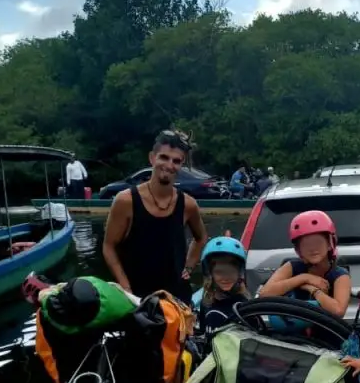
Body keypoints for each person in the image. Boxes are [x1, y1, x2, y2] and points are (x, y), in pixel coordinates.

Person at [102, 129, 207, 304]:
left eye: (176, 161)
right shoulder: (126, 201)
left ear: (181, 165)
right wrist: (125, 287)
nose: (169, 165)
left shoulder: (188, 204)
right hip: (137, 298)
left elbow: (201, 238)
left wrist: (189, 266)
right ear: (152, 158)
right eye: (164, 157)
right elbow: (108, 246)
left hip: (176, 299)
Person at [258, 210, 351, 319]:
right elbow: (265, 293)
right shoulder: (293, 266)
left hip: (325, 331)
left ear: (330, 244)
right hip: (293, 329)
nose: (313, 249)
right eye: (306, 245)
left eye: (318, 242)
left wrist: (314, 290)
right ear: (299, 250)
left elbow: (338, 311)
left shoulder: (340, 275)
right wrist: (304, 278)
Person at [196, 235, 250, 336]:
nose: (225, 277)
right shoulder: (206, 302)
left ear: (239, 273)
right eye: (219, 272)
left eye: (231, 272)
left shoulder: (243, 305)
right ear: (210, 274)